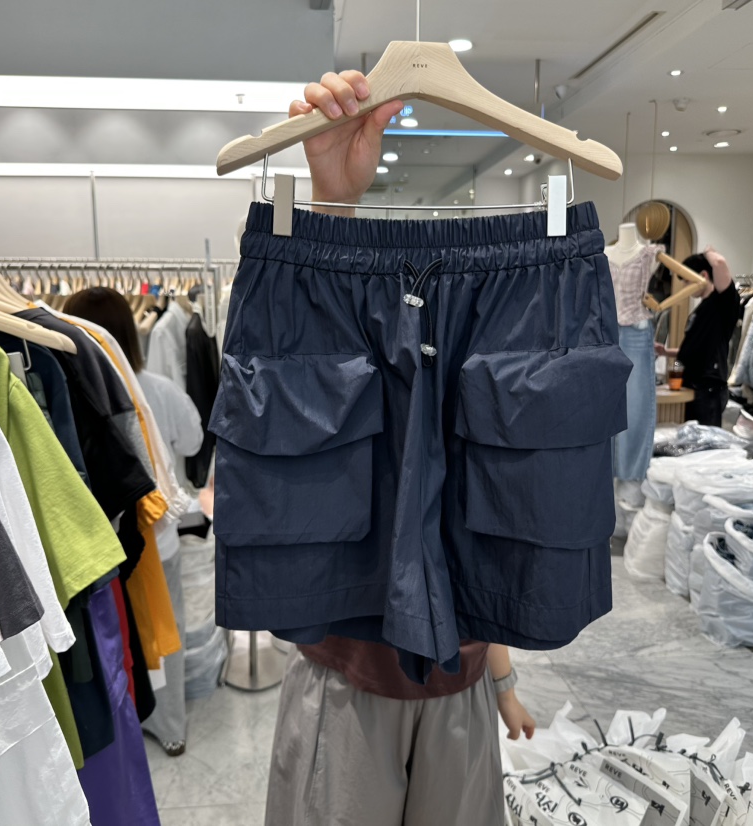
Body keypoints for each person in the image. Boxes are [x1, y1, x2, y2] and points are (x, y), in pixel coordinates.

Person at [263, 71, 536, 826]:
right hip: (345, 676)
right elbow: (312, 351)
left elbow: (493, 523)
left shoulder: (498, 336)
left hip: (461, 680)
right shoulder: (348, 333)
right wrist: (333, 201)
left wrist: (503, 679)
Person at [64, 287, 203, 757]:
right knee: (166, 627)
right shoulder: (159, 389)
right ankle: (171, 726)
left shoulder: (70, 399)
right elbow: (193, 441)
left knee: (116, 635)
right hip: (158, 538)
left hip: (97, 546)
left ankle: (124, 723)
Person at [654, 247, 740, 427]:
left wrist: (707, 252)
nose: (685, 287)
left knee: (705, 438)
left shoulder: (722, 302)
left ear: (703, 275)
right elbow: (696, 348)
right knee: (690, 436)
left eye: (687, 281)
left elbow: (719, 262)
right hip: (692, 384)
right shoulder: (700, 310)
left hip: (708, 387)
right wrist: (666, 352)